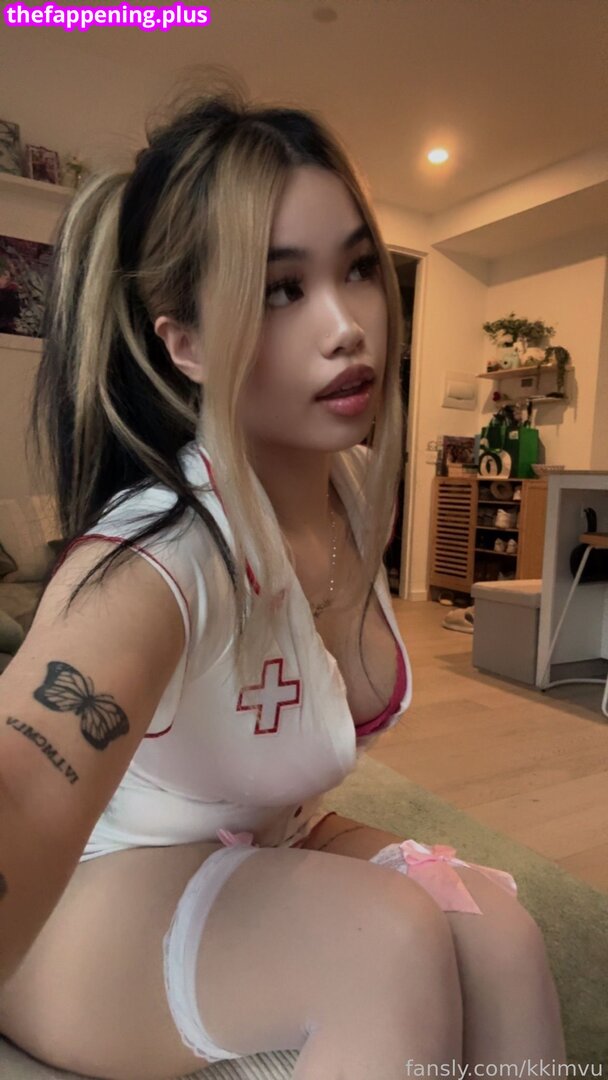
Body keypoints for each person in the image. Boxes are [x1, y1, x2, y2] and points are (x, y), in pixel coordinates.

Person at [0, 77, 566, 1080]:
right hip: (93, 909)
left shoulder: (352, 492)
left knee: (500, 934)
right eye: (279, 290)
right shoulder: (160, 557)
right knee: (383, 944)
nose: (347, 325)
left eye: (358, 269)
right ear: (183, 343)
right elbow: (21, 789)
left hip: (258, 839)